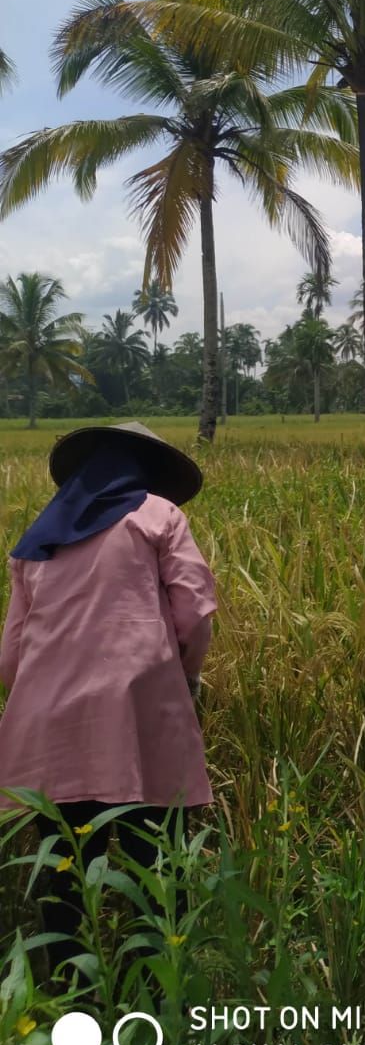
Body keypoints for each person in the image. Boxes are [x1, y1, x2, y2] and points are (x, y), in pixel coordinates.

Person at [0, 420, 216, 979]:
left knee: (65, 869)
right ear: (143, 473)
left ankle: (73, 996)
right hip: (140, 715)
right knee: (155, 859)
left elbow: (11, 658)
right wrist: (184, 680)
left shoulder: (35, 540)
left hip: (51, 728)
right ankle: (158, 994)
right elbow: (194, 614)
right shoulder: (159, 517)